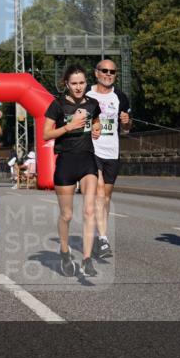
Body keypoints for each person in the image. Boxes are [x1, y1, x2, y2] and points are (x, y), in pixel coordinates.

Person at [44, 65, 102, 278]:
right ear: (66, 84)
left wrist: (97, 127)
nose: (78, 87)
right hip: (66, 162)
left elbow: (96, 121)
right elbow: (46, 134)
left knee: (89, 210)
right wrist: (69, 126)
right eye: (74, 83)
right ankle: (64, 252)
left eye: (82, 83)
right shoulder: (57, 105)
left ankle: (87, 259)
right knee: (67, 215)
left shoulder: (92, 104)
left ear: (86, 83)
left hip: (87, 160)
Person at [87, 58, 132, 258]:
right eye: (104, 70)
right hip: (91, 150)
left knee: (105, 197)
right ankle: (104, 239)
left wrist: (127, 121)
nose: (108, 74)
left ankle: (98, 235)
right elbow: (73, 120)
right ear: (96, 72)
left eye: (112, 72)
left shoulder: (120, 97)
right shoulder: (86, 95)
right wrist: (89, 128)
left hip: (112, 151)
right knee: (98, 191)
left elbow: (127, 128)